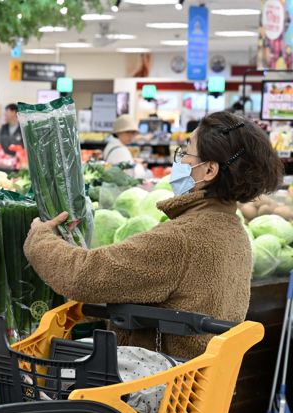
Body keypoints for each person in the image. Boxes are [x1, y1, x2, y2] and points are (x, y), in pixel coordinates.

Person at [23, 111, 282, 360]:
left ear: (210, 171)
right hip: (193, 390)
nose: (179, 161)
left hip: (152, 390)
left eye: (186, 152)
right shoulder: (234, 232)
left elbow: (84, 275)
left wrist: (40, 239)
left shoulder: (181, 240)